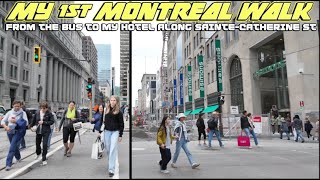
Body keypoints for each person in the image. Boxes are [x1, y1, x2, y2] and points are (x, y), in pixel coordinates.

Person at [98, 96, 124, 177]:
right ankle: (111, 163)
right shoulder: (105, 110)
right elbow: (102, 121)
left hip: (115, 132)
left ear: (116, 101)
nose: (112, 101)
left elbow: (121, 124)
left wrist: (120, 135)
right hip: (107, 132)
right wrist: (99, 131)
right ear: (109, 101)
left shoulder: (119, 112)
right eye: (111, 100)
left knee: (113, 149)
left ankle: (111, 169)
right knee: (108, 149)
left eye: (114, 100)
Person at [1, 101, 29, 171]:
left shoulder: (23, 113)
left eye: (18, 106)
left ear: (20, 106)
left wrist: (16, 121)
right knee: (14, 146)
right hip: (10, 131)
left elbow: (26, 123)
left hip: (18, 132)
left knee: (12, 147)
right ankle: (18, 157)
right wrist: (5, 126)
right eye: (15, 106)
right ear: (13, 106)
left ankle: (8, 164)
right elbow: (3, 121)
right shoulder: (9, 112)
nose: (17, 107)